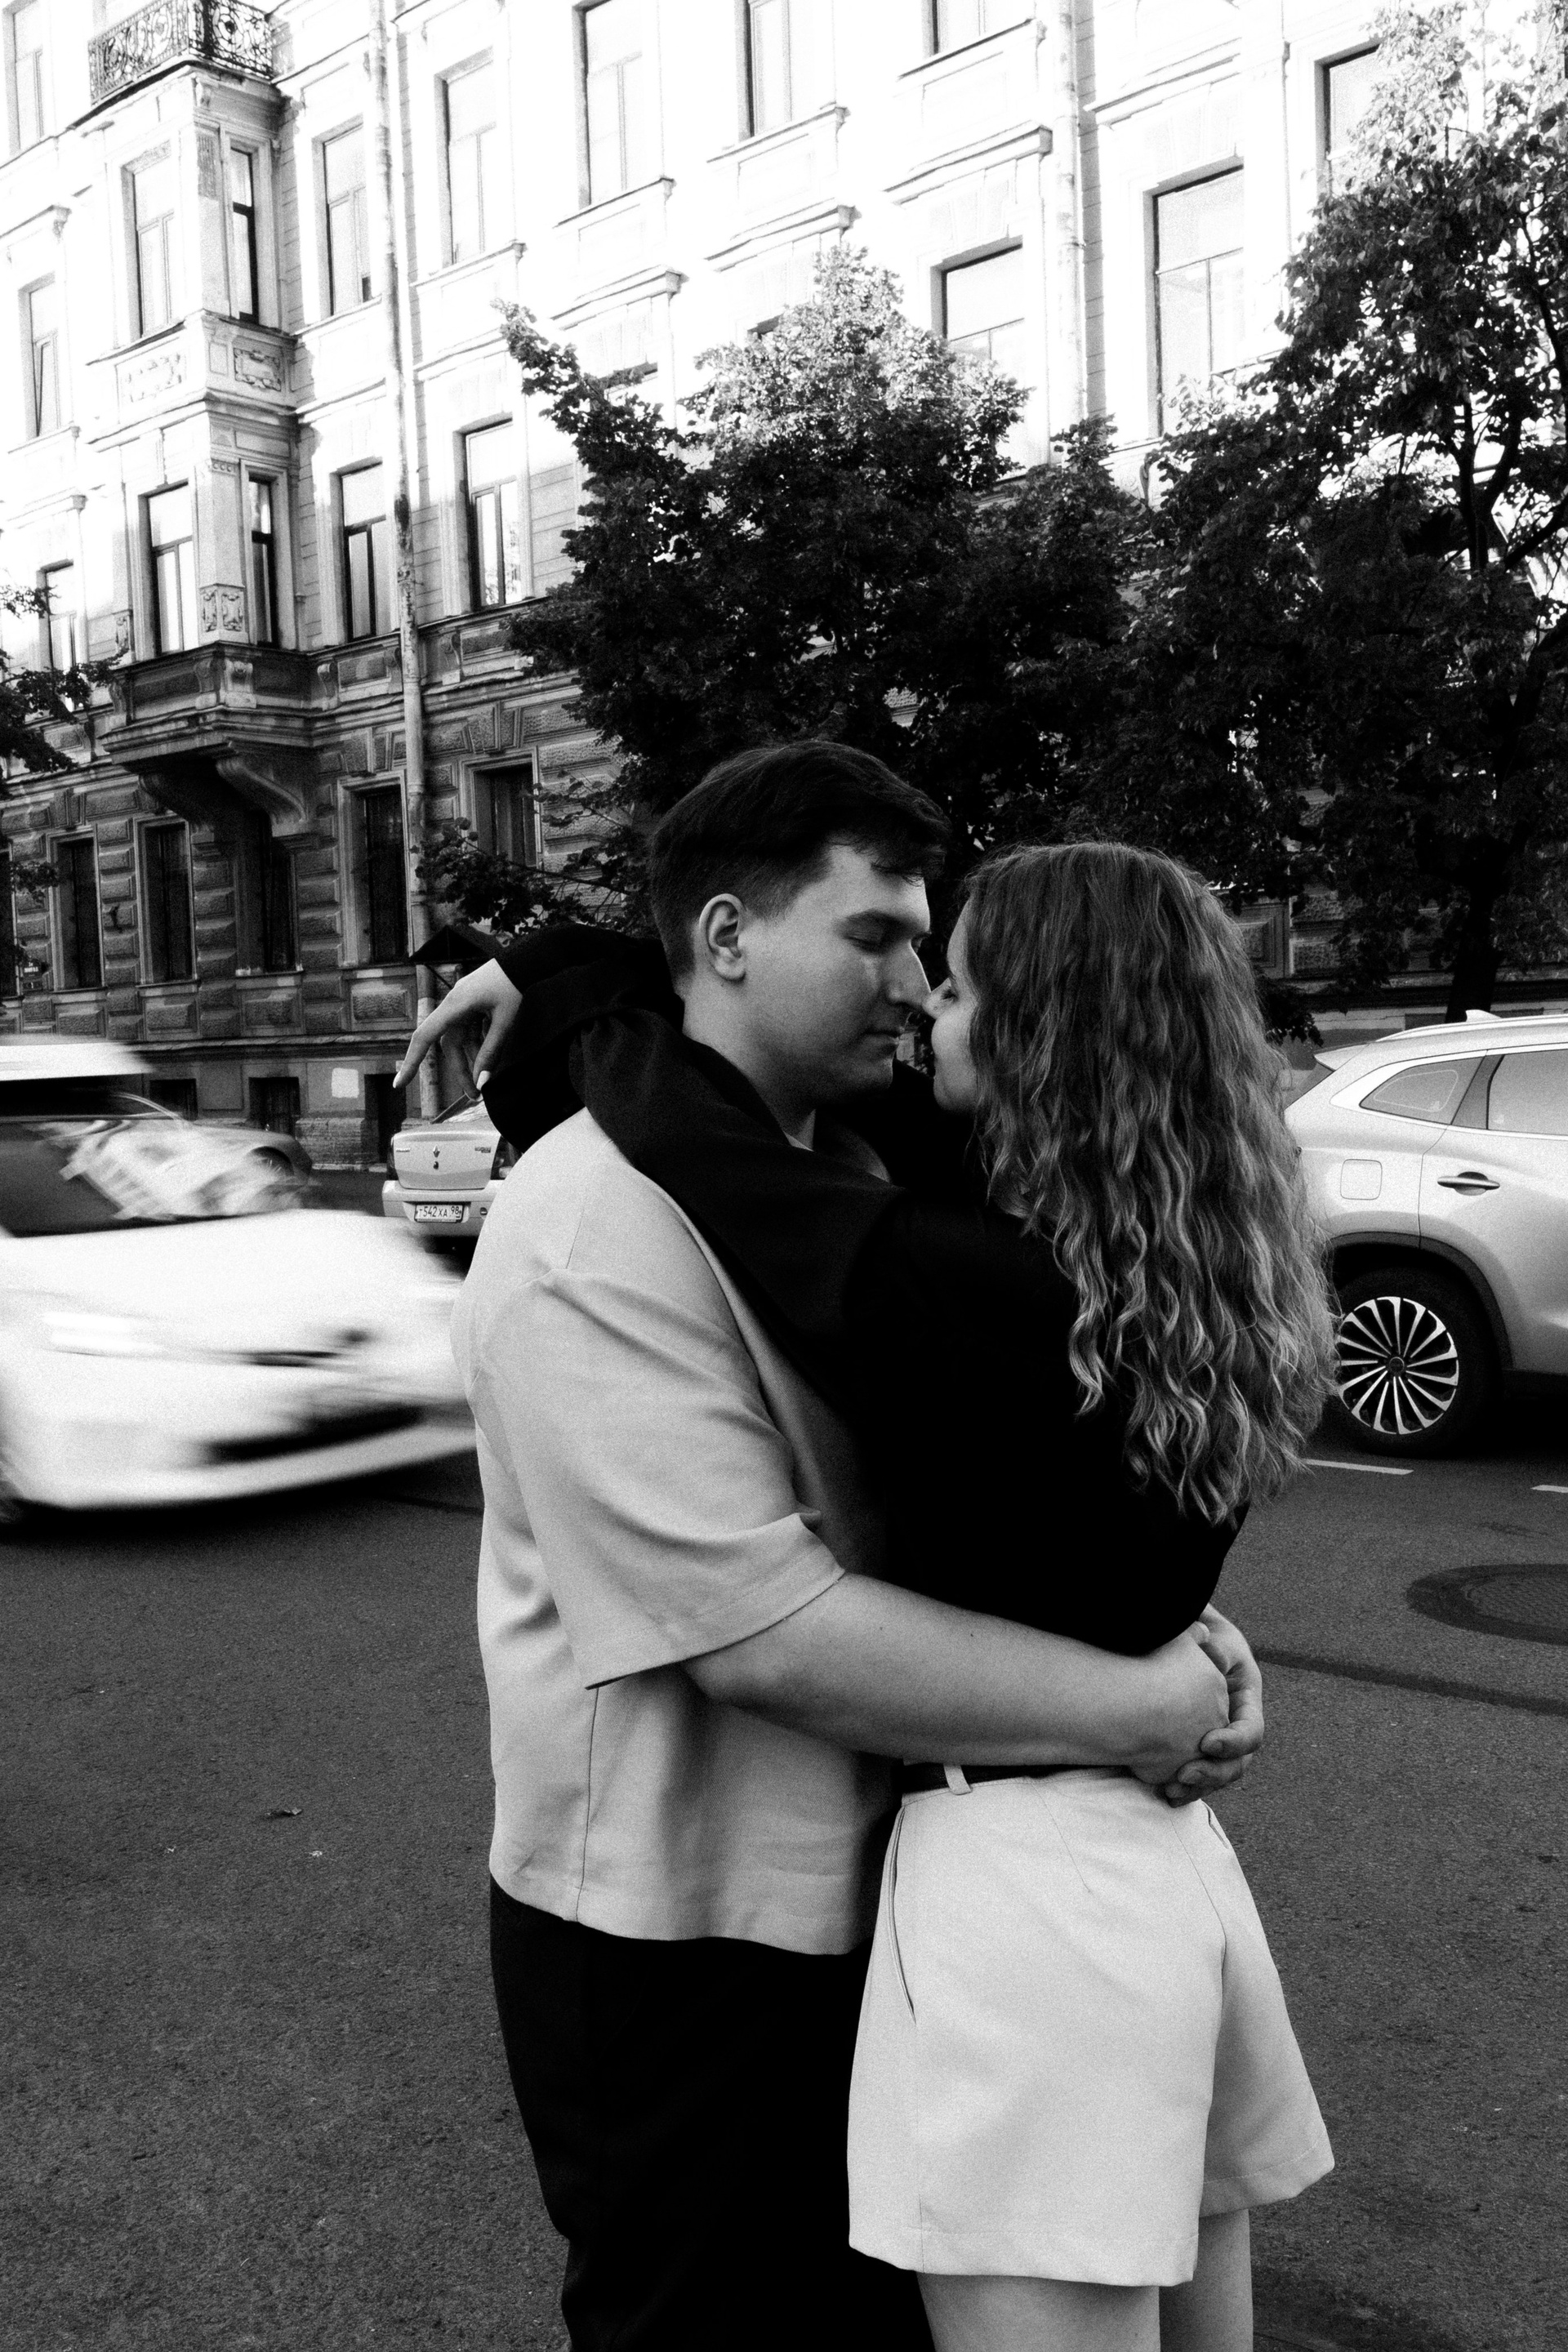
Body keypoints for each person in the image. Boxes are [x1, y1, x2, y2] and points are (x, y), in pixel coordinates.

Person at [398, 746, 1269, 2352]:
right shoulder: (591, 1224)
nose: (918, 987)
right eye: (874, 939)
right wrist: (1143, 1700)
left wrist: (1178, 1634)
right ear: (729, 939)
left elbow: (1020, 1505)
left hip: (897, 1897)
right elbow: (761, 1635)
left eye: (929, 948)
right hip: (683, 1939)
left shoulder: (869, 1163)